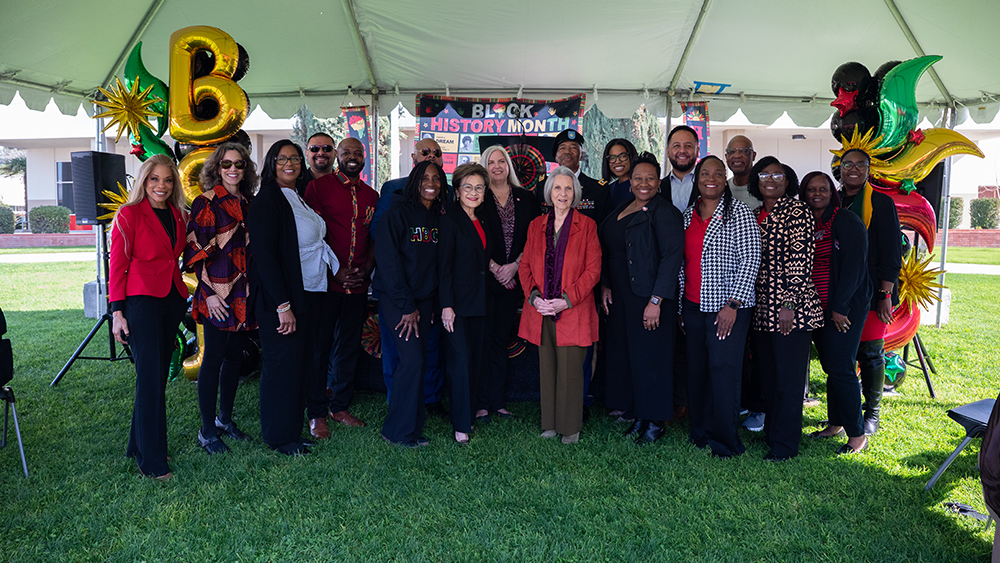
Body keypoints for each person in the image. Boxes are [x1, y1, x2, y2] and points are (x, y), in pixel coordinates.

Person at [249, 140, 339, 455]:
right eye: (283, 158)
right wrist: (282, 306)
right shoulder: (267, 200)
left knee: (296, 367)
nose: (290, 163)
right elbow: (265, 257)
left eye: (295, 158)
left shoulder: (295, 196)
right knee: (280, 368)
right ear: (271, 163)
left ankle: (291, 432)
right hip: (279, 301)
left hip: (303, 295)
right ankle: (278, 437)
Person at [109, 154, 189, 480]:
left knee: (154, 376)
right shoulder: (129, 214)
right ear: (144, 180)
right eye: (155, 179)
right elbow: (117, 264)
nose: (161, 186)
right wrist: (117, 313)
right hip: (140, 302)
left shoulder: (177, 214)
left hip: (171, 300)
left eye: (168, 180)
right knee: (150, 378)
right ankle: (152, 460)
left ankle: (138, 444)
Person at [679, 155, 761, 458]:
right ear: (698, 179)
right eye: (704, 174)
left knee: (723, 370)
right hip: (692, 306)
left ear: (723, 178)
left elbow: (751, 259)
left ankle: (726, 442)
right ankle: (699, 433)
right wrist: (679, 309)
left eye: (717, 173)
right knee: (697, 371)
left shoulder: (739, 212)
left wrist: (733, 304)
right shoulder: (688, 215)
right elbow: (682, 264)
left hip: (728, 308)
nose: (710, 178)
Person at [598, 152, 683, 444]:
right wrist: (606, 284)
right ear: (630, 182)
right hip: (623, 297)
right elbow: (611, 251)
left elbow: (672, 258)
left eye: (650, 178)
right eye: (638, 178)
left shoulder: (664, 212)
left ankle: (655, 422)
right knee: (634, 358)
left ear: (658, 183)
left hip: (650, 300)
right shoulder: (623, 207)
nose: (643, 183)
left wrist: (656, 300)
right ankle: (640, 414)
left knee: (653, 359)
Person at [184, 142, 259, 455]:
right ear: (216, 168)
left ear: (246, 169)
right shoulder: (206, 202)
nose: (233, 169)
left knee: (234, 357)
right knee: (213, 359)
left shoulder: (249, 203)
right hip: (216, 292)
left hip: (243, 292)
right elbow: (194, 253)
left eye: (239, 164)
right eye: (226, 164)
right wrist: (209, 294)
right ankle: (206, 431)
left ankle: (225, 420)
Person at [518, 167, 602, 444]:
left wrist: (564, 301)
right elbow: (526, 265)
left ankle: (570, 428)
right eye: (557, 188)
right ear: (549, 193)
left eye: (568, 189)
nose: (562, 194)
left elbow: (592, 271)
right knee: (548, 369)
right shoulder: (535, 225)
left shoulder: (587, 226)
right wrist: (535, 298)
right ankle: (550, 424)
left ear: (575, 194)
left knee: (570, 372)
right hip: (541, 310)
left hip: (573, 310)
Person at [748, 156, 823, 461]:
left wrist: (788, 304)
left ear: (787, 181)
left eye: (777, 175)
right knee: (770, 377)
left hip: (792, 310)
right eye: (764, 174)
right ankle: (773, 435)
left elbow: (800, 263)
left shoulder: (798, 211)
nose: (770, 179)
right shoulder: (755, 214)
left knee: (789, 382)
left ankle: (786, 445)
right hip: (762, 311)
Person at [305, 137, 378, 431]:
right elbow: (312, 238)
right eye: (346, 152)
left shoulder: (372, 195)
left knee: (348, 346)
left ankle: (340, 407)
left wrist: (368, 269)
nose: (352, 157)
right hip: (327, 284)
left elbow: (374, 237)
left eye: (357, 153)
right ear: (337, 156)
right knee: (320, 347)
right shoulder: (317, 188)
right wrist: (335, 271)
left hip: (359, 285)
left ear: (364, 158)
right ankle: (316, 412)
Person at [372, 137, 447, 417]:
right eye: (424, 152)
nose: (430, 156)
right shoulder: (394, 192)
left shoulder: (443, 196)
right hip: (399, 293)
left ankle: (428, 400)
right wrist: (405, 299)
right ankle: (398, 402)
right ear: (414, 157)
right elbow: (382, 239)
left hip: (427, 294)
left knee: (428, 350)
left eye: (436, 153)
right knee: (401, 352)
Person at [801, 171, 871, 454]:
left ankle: (857, 435)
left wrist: (840, 308)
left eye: (823, 189)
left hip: (844, 307)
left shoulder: (845, 220)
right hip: (818, 306)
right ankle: (835, 423)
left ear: (832, 192)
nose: (817, 194)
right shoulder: (809, 222)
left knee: (841, 367)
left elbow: (855, 267)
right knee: (831, 366)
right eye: (811, 189)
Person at [837, 148, 902, 435]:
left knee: (871, 352)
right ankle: (841, 414)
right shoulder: (834, 200)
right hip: (841, 291)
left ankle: (871, 414)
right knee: (842, 355)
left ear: (868, 169)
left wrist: (885, 295)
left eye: (859, 164)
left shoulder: (880, 203)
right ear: (839, 168)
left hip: (874, 292)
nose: (852, 169)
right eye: (847, 164)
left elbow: (891, 252)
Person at [551, 129, 611, 417]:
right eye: (563, 147)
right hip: (551, 283)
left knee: (583, 341)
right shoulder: (544, 186)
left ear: (581, 155)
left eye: (574, 148)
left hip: (585, 279)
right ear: (555, 154)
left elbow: (605, 237)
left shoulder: (598, 188)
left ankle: (582, 399)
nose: (568, 152)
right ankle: (555, 398)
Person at [476, 145, 538, 422]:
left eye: (502, 161)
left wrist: (514, 267)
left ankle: (498, 402)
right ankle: (479, 403)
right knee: (480, 341)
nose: (497, 166)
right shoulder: (477, 196)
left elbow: (535, 239)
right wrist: (494, 267)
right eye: (492, 161)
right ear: (484, 165)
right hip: (481, 280)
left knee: (500, 341)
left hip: (513, 280)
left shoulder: (526, 198)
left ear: (509, 165)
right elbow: (471, 235)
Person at [439, 163, 492, 443]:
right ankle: (460, 425)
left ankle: (468, 415)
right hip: (456, 305)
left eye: (479, 187)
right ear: (457, 191)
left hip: (479, 302)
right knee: (459, 363)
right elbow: (443, 266)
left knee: (474, 360)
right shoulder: (449, 221)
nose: (474, 192)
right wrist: (446, 305)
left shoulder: (479, 219)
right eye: (468, 187)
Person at [660, 125, 701, 212]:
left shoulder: (708, 184)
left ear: (697, 152)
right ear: (668, 152)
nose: (682, 151)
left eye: (688, 146)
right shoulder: (659, 187)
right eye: (676, 146)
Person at [601, 138, 639, 208]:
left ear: (631, 157)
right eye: (612, 158)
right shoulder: (608, 188)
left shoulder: (640, 186)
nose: (617, 161)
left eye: (622, 156)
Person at [724, 135, 758, 207]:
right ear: (726, 157)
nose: (737, 156)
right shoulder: (723, 189)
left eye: (744, 151)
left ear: (753, 156)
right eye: (731, 152)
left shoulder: (764, 187)